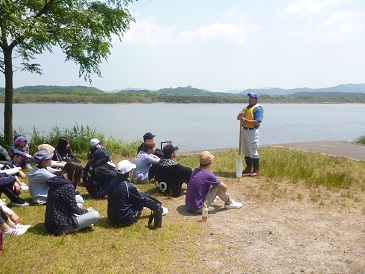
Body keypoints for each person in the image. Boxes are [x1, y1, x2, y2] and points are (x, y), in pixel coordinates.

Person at [45, 162, 100, 235]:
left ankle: (84, 222)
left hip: (50, 223)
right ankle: (83, 223)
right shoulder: (68, 186)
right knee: (95, 215)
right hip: (61, 225)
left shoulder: (57, 180)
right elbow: (75, 209)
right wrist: (86, 212)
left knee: (78, 198)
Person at [107, 160, 167, 227]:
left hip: (111, 218)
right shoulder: (128, 187)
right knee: (141, 197)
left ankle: (158, 206)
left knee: (138, 195)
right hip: (125, 219)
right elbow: (139, 202)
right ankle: (158, 207)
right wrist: (139, 209)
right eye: (131, 170)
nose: (132, 171)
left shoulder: (112, 182)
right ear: (129, 173)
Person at [236, 92, 264, 176]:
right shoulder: (245, 108)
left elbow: (257, 121)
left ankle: (256, 170)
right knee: (245, 151)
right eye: (249, 98)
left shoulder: (258, 109)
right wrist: (239, 116)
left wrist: (245, 120)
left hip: (252, 131)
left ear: (256, 99)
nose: (249, 99)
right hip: (244, 130)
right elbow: (238, 118)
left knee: (252, 150)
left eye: (251, 98)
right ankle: (248, 168)